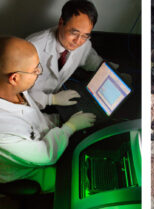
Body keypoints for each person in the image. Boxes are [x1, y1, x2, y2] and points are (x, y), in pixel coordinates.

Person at [0, 36, 96, 192]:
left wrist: (52, 100)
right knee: (83, 181)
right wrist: (69, 127)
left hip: (49, 134)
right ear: (15, 78)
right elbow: (45, 155)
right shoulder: (3, 130)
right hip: (32, 171)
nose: (39, 72)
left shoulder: (11, 89)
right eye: (35, 70)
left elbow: (28, 113)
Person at [27, 0, 116, 109]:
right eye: (74, 33)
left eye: (85, 35)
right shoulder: (33, 47)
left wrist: (115, 71)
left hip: (55, 102)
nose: (78, 41)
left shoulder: (84, 43)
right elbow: (18, 92)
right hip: (29, 107)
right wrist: (50, 99)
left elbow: (93, 62)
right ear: (61, 23)